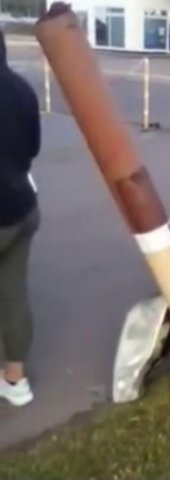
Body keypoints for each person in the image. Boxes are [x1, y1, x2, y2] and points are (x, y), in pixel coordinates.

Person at [0, 29, 41, 407]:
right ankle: (16, 381)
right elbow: (32, 149)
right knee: (13, 295)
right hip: (22, 208)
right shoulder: (23, 90)